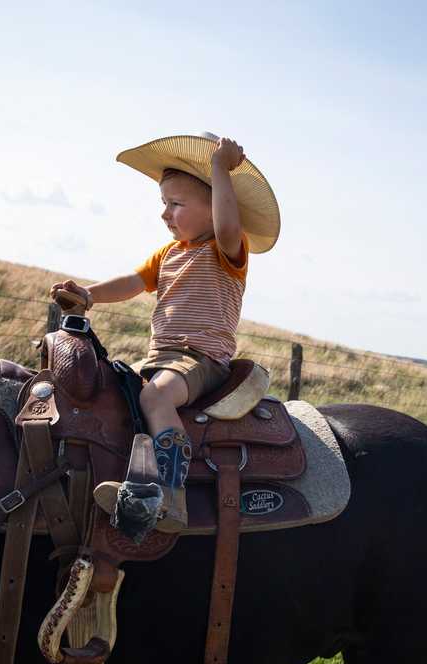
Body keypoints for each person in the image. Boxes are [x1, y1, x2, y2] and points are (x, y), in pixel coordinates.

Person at [50, 133, 280, 535]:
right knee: (116, 392)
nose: (165, 214)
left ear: (214, 207)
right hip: (163, 357)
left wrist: (219, 170)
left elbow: (227, 224)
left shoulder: (227, 249)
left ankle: (171, 494)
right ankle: (129, 477)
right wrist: (89, 295)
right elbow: (133, 282)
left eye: (176, 204)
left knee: (154, 396)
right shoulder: (169, 254)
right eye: (163, 204)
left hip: (201, 358)